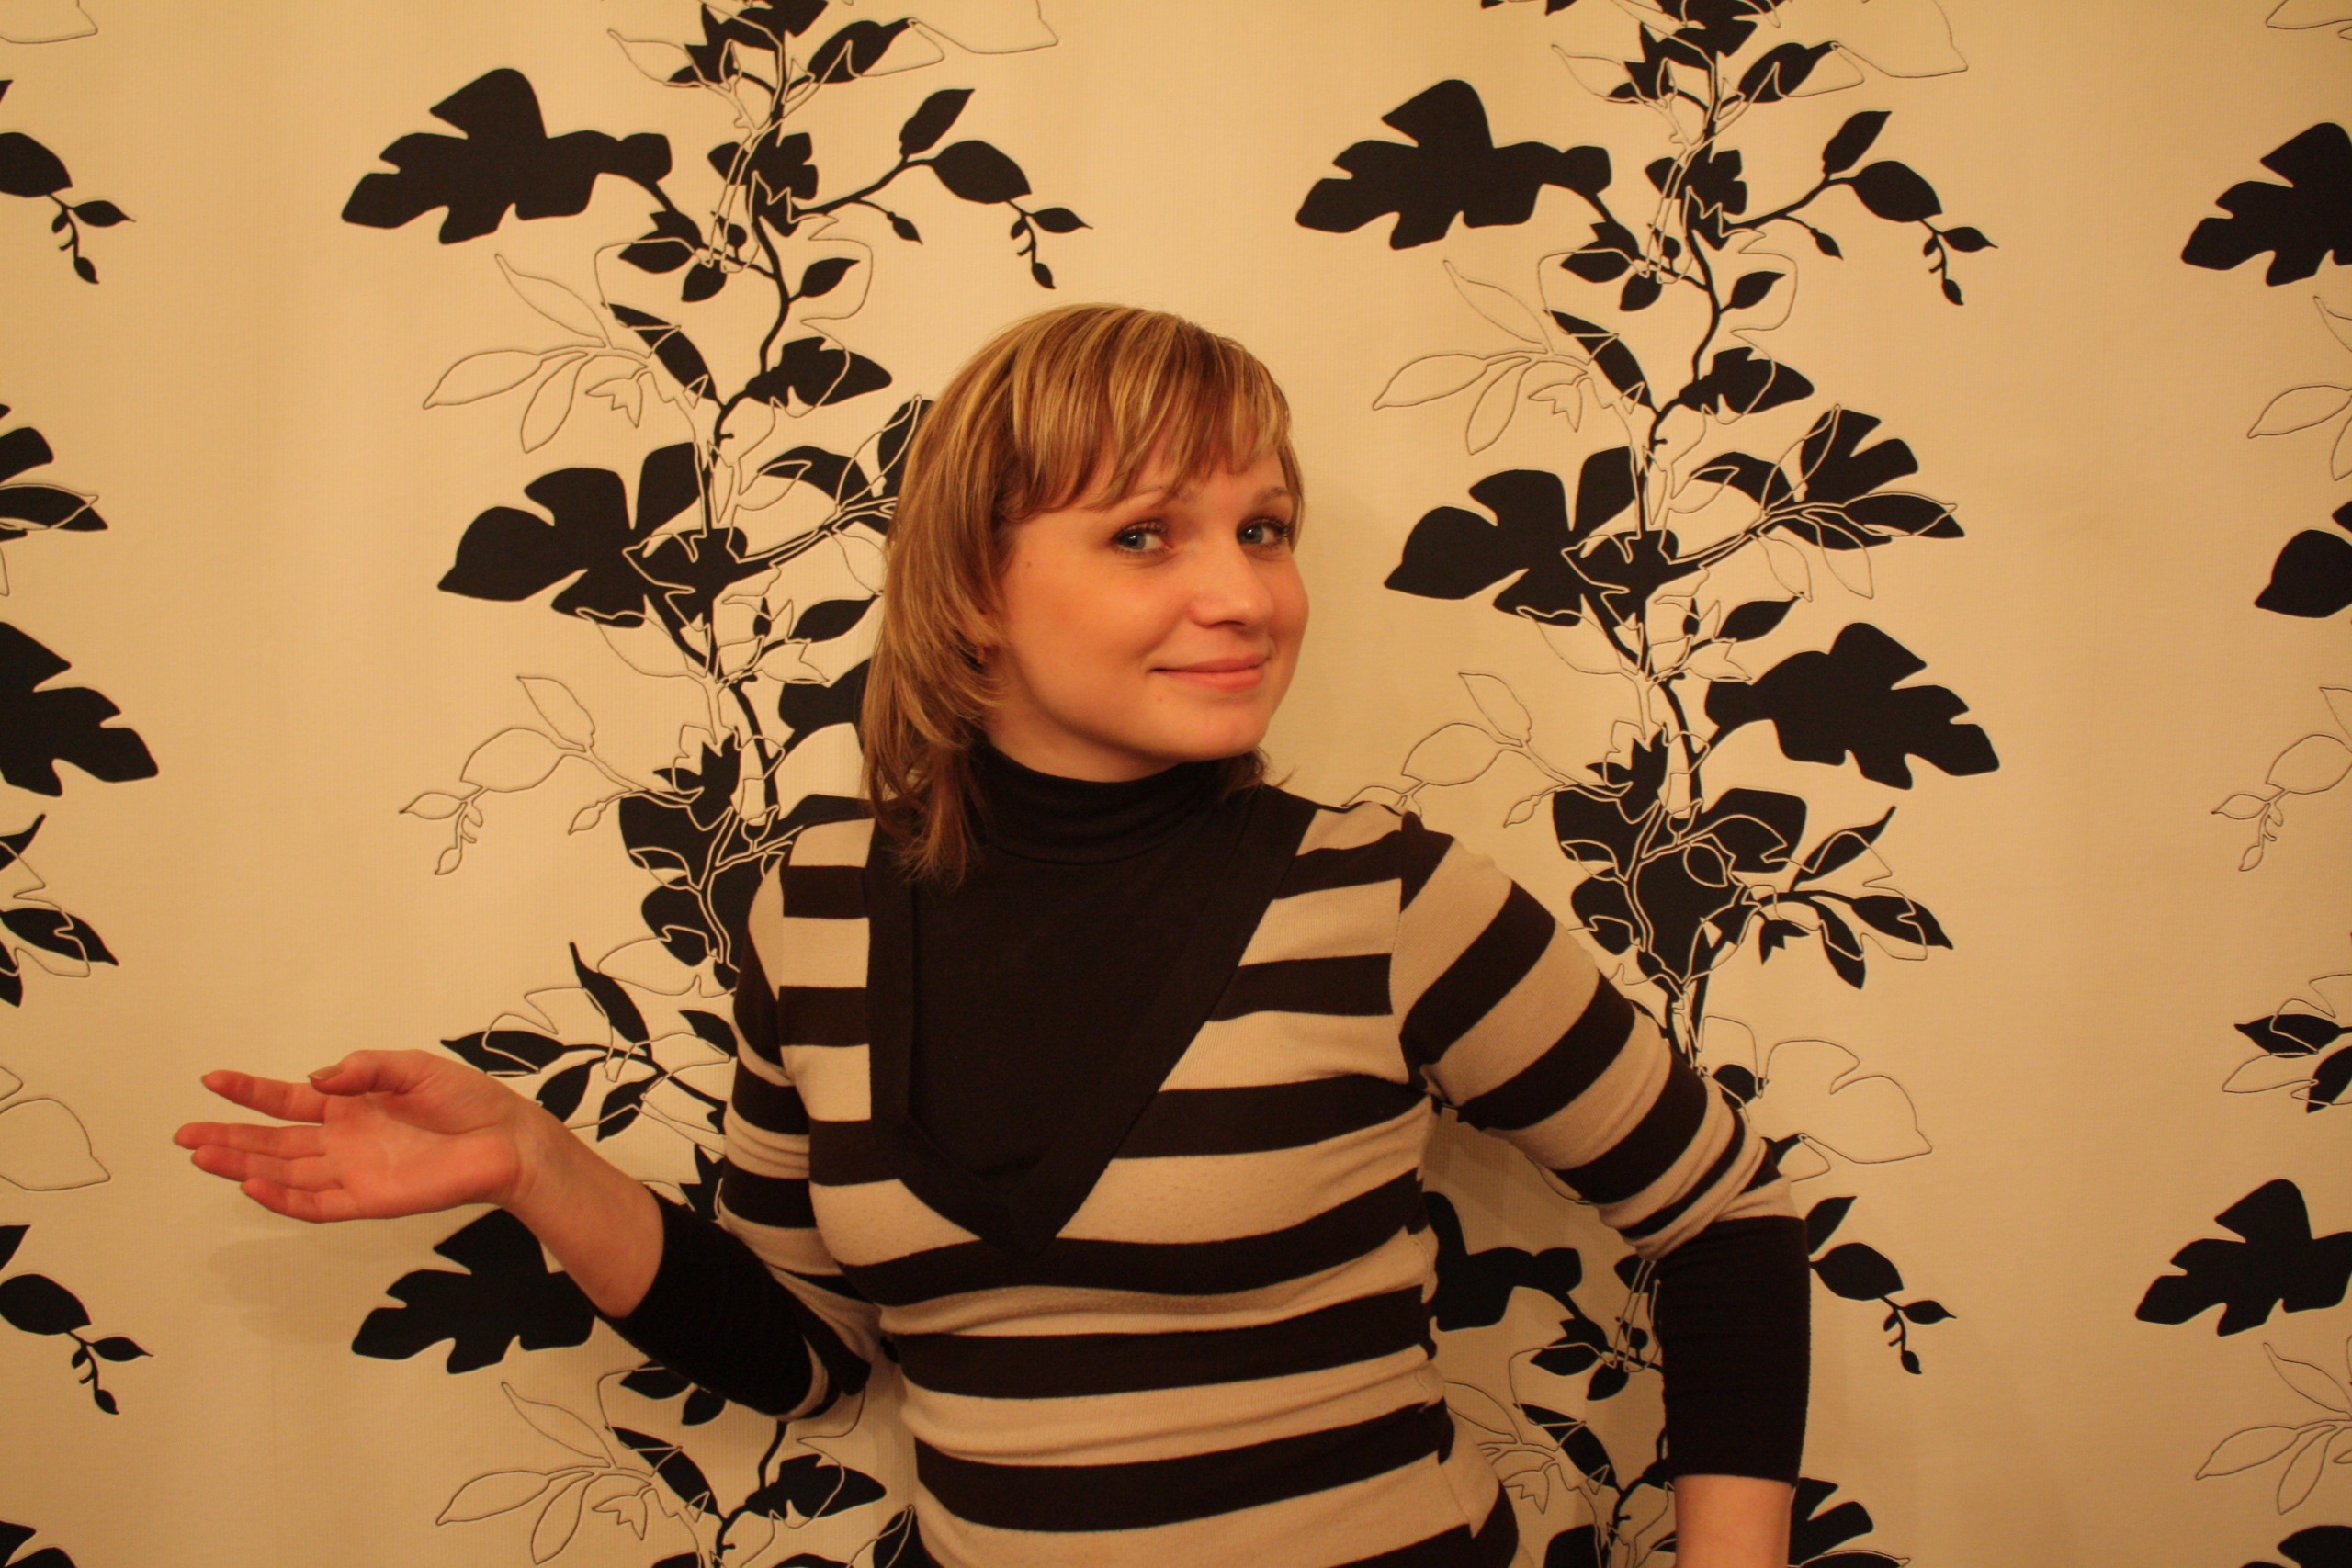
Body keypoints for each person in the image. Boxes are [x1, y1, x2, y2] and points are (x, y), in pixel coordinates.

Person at [176, 305, 1809, 1568]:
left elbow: (1725, 1217)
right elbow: (812, 1355)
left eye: (1264, 528)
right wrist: (538, 1166)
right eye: (1147, 533)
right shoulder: (812, 912)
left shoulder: (1385, 897)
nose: (1248, 595)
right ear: (971, 585)